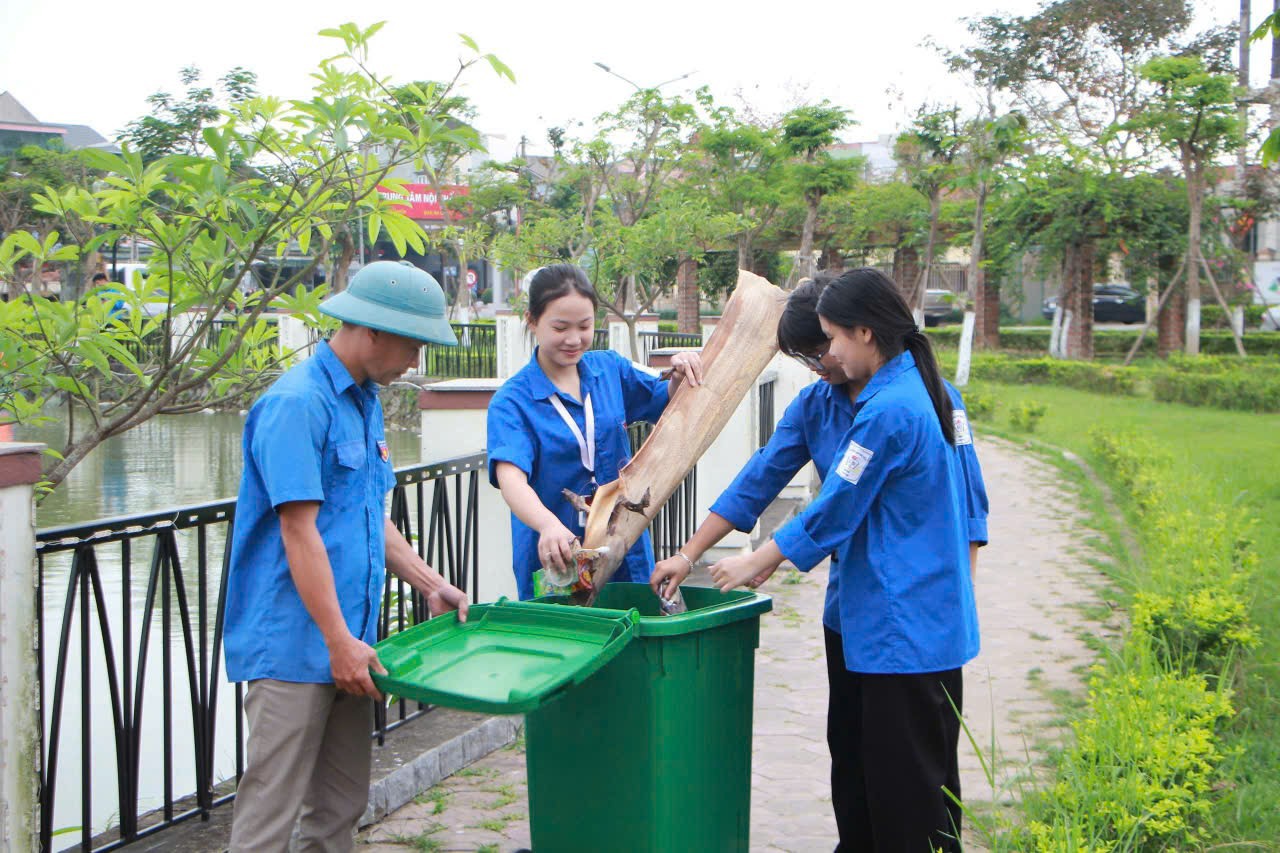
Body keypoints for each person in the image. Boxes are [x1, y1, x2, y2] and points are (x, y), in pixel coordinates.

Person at [703, 267, 980, 852]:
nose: (824, 356)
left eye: (828, 341)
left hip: (905, 622)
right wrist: (693, 549)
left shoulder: (895, 408)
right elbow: (764, 476)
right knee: (861, 767)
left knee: (910, 788)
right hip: (867, 614)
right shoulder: (867, 398)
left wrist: (760, 560)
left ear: (863, 333)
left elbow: (837, 506)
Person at [224, 261, 471, 852]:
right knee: (269, 817)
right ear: (371, 331)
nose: (416, 360)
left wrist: (427, 582)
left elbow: (366, 517)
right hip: (293, 647)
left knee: (339, 808)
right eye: (413, 344)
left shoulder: (364, 401)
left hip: (351, 645)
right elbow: (298, 531)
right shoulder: (296, 405)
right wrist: (335, 640)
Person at [487, 264, 703, 599]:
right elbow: (511, 479)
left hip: (624, 549)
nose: (574, 339)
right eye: (560, 327)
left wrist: (680, 372)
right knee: (567, 641)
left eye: (584, 326)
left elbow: (663, 400)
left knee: (633, 634)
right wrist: (547, 525)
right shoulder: (512, 401)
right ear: (532, 321)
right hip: (560, 555)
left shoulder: (609, 369)